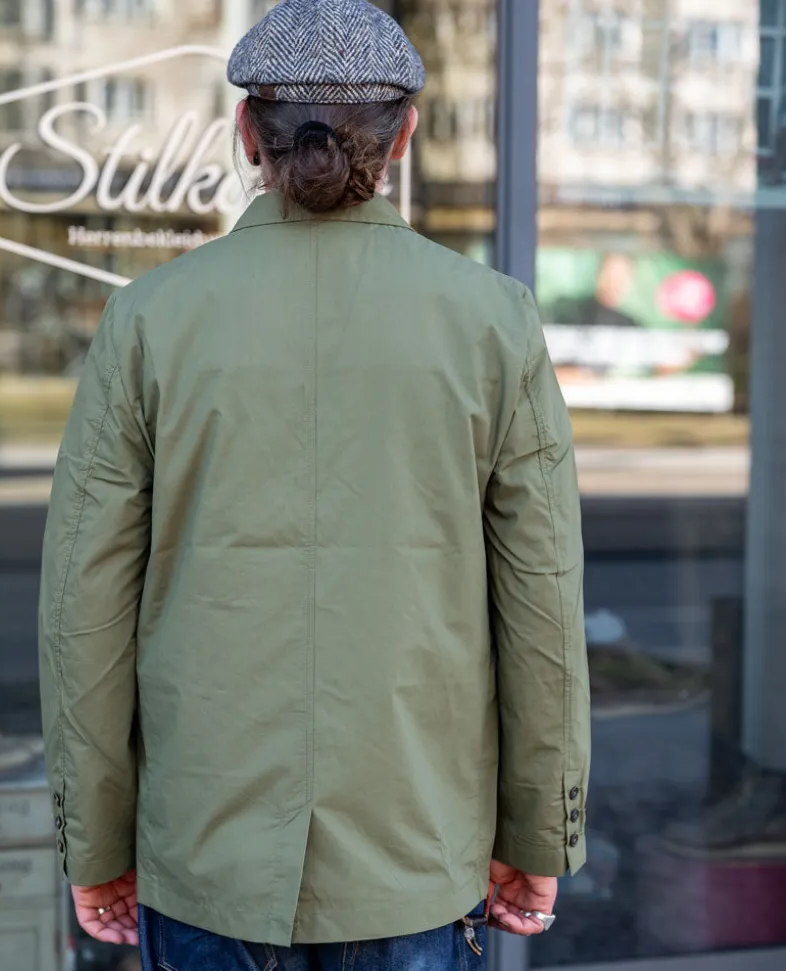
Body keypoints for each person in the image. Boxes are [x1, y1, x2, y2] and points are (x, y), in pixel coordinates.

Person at [38, 1, 591, 968]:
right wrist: (539, 832)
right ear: (405, 135)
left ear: (246, 131)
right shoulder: (494, 322)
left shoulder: (149, 319)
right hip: (417, 853)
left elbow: (84, 607)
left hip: (207, 853)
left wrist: (95, 840)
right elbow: (541, 604)